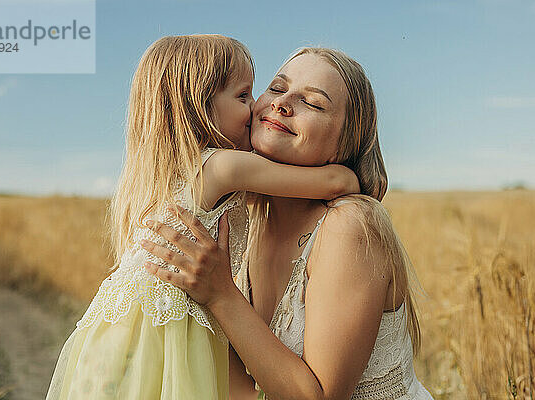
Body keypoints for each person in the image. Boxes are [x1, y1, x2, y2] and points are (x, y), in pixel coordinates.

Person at [46, 37, 360, 399]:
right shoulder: (221, 167)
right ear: (200, 105)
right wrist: (358, 175)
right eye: (243, 96)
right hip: (169, 326)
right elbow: (337, 181)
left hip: (124, 330)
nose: (256, 108)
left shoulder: (161, 174)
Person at [141, 47, 434, 399]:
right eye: (277, 89)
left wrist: (220, 294)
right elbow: (245, 391)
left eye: (312, 102)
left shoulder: (349, 226)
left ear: (344, 143)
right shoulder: (245, 221)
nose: (283, 103)